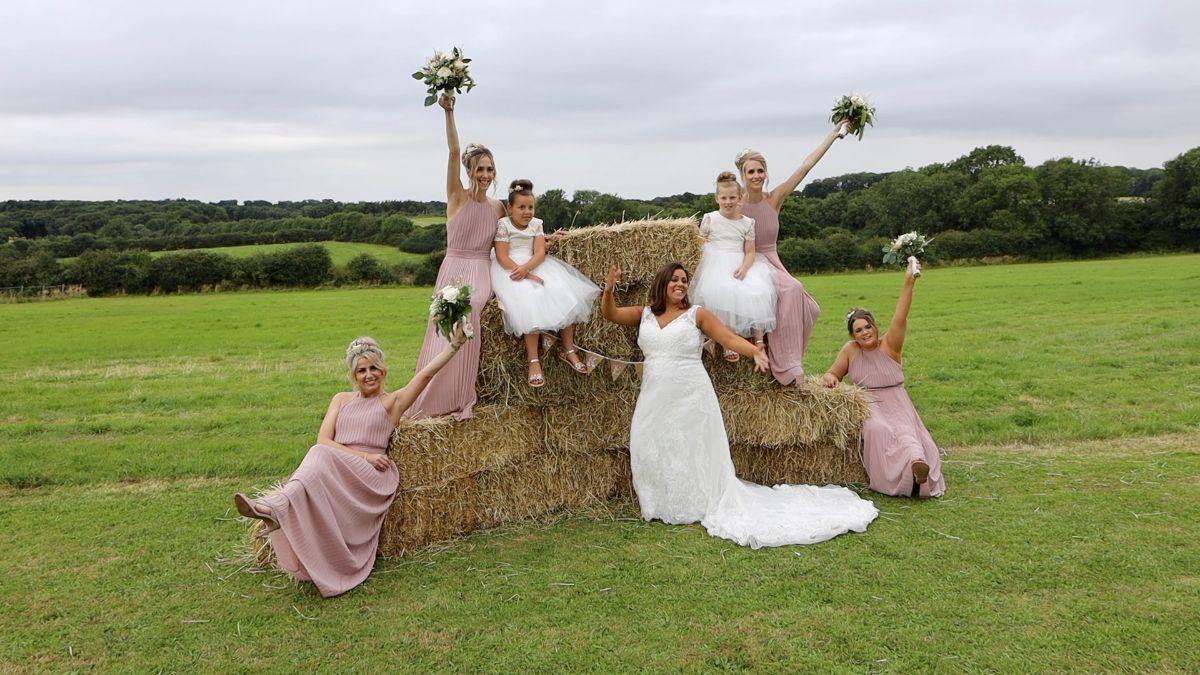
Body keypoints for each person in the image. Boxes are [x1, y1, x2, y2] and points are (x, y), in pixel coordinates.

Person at [602, 262, 878, 547]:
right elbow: (610, 314)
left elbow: (728, 337)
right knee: (649, 443)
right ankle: (659, 503)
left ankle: (695, 503)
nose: (680, 284)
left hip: (691, 395)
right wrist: (609, 289)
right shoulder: (643, 313)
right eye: (674, 279)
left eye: (684, 280)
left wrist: (753, 352)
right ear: (662, 283)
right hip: (654, 394)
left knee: (693, 446)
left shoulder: (697, 315)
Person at [234, 328, 468, 597]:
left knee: (319, 456)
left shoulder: (392, 402)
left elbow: (425, 375)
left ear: (383, 371)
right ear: (353, 376)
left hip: (370, 474)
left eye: (374, 368)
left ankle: (274, 508)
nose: (369, 375)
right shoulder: (341, 400)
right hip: (338, 464)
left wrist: (454, 346)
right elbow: (323, 439)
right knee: (318, 455)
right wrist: (356, 455)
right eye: (361, 371)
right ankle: (274, 511)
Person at [406, 93, 504, 420]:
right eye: (480, 168)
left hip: (481, 270)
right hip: (454, 269)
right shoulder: (456, 197)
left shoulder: (498, 207)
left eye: (490, 169)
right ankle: (431, 396)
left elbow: (516, 236)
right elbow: (452, 151)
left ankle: (461, 394)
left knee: (474, 306)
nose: (486, 174)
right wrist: (449, 112)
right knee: (444, 324)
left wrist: (549, 236)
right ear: (471, 170)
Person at [735, 120, 850, 385]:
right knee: (793, 289)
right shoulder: (736, 204)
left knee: (811, 307)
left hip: (772, 259)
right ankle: (787, 367)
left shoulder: (774, 198)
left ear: (766, 173)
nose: (756, 176)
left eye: (760, 171)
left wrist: (833, 135)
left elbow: (806, 166)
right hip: (750, 262)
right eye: (750, 171)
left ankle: (789, 356)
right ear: (743, 174)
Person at [821, 261, 946, 497]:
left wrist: (909, 282)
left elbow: (901, 316)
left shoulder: (890, 346)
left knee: (906, 432)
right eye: (859, 330)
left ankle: (916, 466)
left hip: (897, 401)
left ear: (876, 327)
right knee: (879, 429)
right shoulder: (850, 350)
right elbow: (833, 373)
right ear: (853, 335)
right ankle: (894, 477)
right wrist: (829, 380)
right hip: (868, 402)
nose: (865, 332)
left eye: (868, 327)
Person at [491, 178, 600, 387]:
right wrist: (524, 273)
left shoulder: (537, 224)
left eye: (530, 207)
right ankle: (533, 360)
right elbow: (502, 257)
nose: (527, 212)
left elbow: (540, 252)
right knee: (530, 298)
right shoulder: (503, 225)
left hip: (534, 263)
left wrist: (529, 269)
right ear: (510, 208)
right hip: (510, 268)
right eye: (521, 207)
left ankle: (569, 349)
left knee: (564, 292)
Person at [689, 171, 777, 362]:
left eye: (732, 198)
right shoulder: (710, 218)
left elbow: (751, 251)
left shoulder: (747, 223)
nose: (728, 202)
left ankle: (759, 340)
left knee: (759, 291)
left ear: (740, 198)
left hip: (739, 261)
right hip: (715, 261)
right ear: (717, 198)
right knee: (721, 292)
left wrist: (745, 268)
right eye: (724, 198)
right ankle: (729, 341)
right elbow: (700, 243)